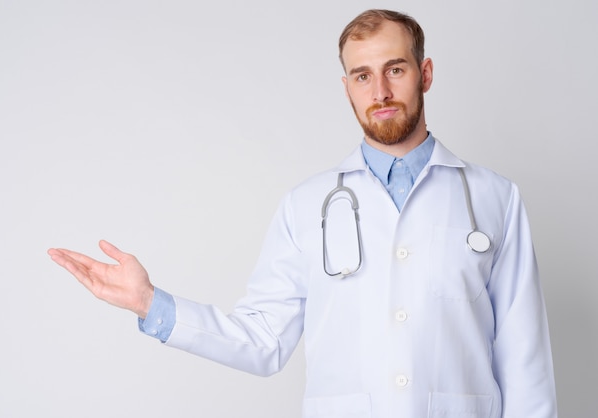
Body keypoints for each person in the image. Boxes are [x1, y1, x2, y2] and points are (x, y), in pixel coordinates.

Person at [48, 9, 557, 417]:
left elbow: (524, 360)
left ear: (424, 73)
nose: (379, 92)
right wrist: (152, 305)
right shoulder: (306, 204)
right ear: (346, 87)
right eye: (362, 75)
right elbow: (264, 341)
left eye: (394, 70)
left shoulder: (494, 198)